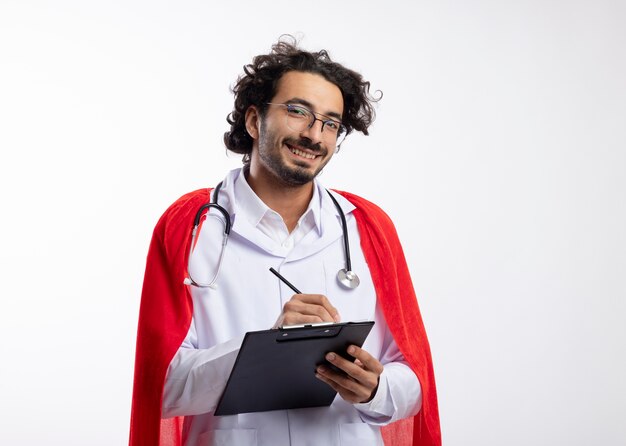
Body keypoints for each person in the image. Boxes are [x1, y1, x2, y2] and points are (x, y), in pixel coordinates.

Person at [130, 37, 441, 446]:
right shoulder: (189, 227)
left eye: (331, 123)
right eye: (298, 112)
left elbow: (415, 381)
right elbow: (163, 389)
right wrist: (264, 348)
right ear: (255, 120)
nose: (314, 135)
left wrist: (375, 389)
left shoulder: (369, 228)